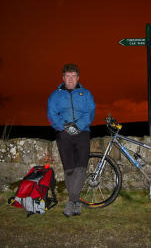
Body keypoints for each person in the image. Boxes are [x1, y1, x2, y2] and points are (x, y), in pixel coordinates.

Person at [47, 63, 96, 217]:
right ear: (63, 78)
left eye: (73, 76)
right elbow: (51, 114)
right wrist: (65, 127)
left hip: (82, 132)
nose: (70, 79)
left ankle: (72, 201)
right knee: (69, 167)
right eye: (67, 76)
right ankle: (75, 203)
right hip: (64, 133)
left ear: (78, 78)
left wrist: (78, 125)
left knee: (81, 165)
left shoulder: (86, 94)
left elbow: (90, 112)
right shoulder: (55, 95)